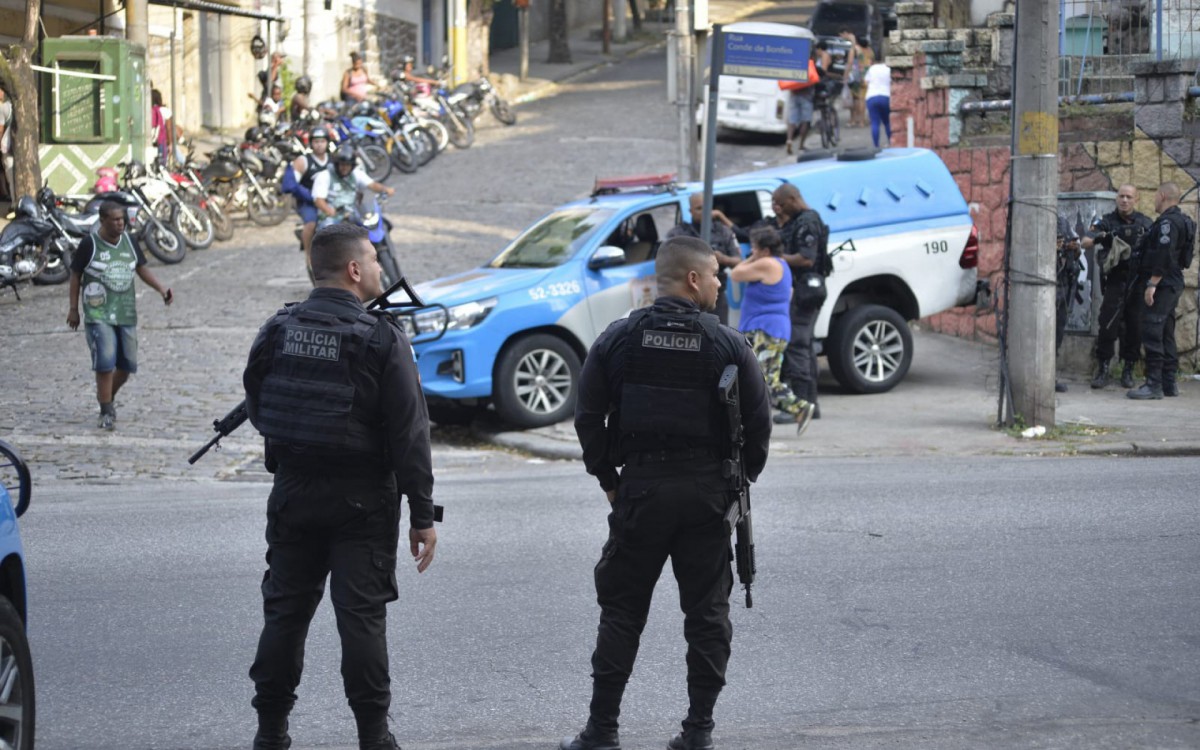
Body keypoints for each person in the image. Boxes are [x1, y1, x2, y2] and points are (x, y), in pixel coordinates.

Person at [565, 235, 772, 750]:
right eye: (716, 276)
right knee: (706, 615)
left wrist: (609, 480)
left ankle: (602, 731)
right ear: (694, 279)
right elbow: (760, 427)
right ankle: (698, 732)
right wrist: (736, 483)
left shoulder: (618, 339)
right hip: (707, 496)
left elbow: (587, 415)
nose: (722, 284)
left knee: (621, 612)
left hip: (640, 493)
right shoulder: (728, 344)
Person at [243, 223, 438, 750]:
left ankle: (270, 732)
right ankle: (374, 737)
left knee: (284, 614)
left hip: (294, 493)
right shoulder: (382, 337)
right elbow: (410, 432)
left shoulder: (279, 327)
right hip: (362, 502)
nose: (380, 269)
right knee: (361, 622)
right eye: (374, 260)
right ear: (354, 270)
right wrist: (423, 513)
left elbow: (260, 403)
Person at [65, 201, 174, 431]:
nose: (120, 223)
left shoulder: (130, 242)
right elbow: (75, 275)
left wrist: (162, 289)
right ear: (103, 220)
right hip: (98, 313)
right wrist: (74, 308)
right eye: (115, 220)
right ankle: (106, 411)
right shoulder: (90, 244)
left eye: (122, 219)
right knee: (104, 363)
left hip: (125, 312)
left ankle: (106, 397)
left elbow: (141, 269)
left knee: (127, 366)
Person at [730, 224, 816, 434]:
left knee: (762, 378)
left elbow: (736, 273)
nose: (752, 252)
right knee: (761, 377)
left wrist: (752, 258)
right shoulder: (782, 264)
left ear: (766, 250)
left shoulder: (768, 263)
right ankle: (787, 412)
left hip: (765, 330)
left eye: (755, 248)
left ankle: (800, 408)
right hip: (770, 329)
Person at [1128, 182, 1196, 400]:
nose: (1154, 200)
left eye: (1156, 196)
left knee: (1153, 330)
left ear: (1164, 196)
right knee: (1166, 331)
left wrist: (1152, 284)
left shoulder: (1168, 223)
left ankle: (1154, 385)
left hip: (1164, 283)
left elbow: (1165, 255)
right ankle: (1169, 383)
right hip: (1172, 281)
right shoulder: (1184, 220)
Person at [1081, 184, 1153, 389]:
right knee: (1107, 325)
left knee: (1135, 327)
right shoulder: (1106, 221)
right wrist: (1102, 236)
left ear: (1136, 199)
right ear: (1116, 199)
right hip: (1115, 281)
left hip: (1137, 282)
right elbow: (1086, 241)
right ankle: (1103, 367)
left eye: (1129, 197)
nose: (1125, 200)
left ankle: (1128, 369)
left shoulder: (1145, 223)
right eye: (1121, 196)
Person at [772, 183, 826, 421]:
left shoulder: (807, 221)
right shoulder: (798, 220)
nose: (779, 209)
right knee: (804, 346)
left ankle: (801, 408)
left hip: (806, 291)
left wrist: (776, 258)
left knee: (796, 345)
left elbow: (806, 258)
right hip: (804, 290)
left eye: (782, 204)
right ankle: (811, 405)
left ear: (794, 199)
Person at [664, 192, 743, 324]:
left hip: (715, 297)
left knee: (718, 338)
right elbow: (666, 262)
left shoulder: (723, 231)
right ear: (690, 211)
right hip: (687, 298)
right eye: (699, 208)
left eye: (706, 208)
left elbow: (739, 261)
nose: (703, 212)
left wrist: (723, 258)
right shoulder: (678, 234)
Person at [283, 125, 333, 270]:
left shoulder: (333, 160)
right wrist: (309, 196)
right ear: (310, 143)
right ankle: (309, 255)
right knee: (310, 224)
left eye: (322, 141)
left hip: (330, 199)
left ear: (327, 142)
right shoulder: (303, 161)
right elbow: (293, 185)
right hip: (308, 202)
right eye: (316, 141)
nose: (319, 145)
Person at [311, 149, 394, 227]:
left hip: (352, 213)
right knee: (328, 233)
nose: (345, 168)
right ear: (337, 164)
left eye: (348, 165)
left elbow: (372, 185)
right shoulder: (325, 176)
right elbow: (319, 200)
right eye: (342, 164)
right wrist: (328, 210)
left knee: (378, 224)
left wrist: (386, 190)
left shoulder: (356, 174)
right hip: (331, 217)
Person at [1055, 213, 1081, 393]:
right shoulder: (1032, 217)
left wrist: (1072, 247)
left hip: (1063, 284)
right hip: (1042, 285)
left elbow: (1077, 247)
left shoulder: (1062, 220)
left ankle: (1050, 374)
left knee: (1057, 332)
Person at [863, 56, 892, 148]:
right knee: (887, 122)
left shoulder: (871, 69)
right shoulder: (888, 68)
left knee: (875, 122)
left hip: (871, 96)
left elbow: (865, 82)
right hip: (885, 96)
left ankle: (876, 145)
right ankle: (890, 142)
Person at [0, 85, 12, 202]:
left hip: (6, 144)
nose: (1, 93)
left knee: (4, 170)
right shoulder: (4, 107)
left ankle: (5, 192)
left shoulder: (4, 107)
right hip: (6, 143)